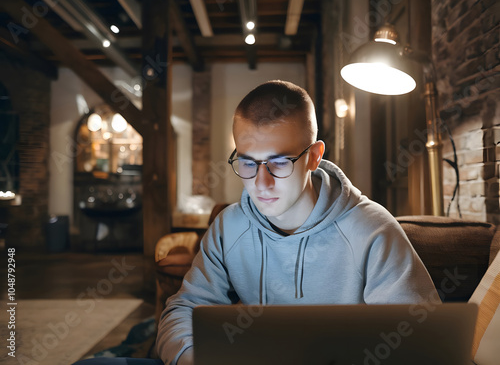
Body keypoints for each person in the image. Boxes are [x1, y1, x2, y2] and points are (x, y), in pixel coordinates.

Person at [73, 80, 438, 365]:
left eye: (279, 163)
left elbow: (421, 340)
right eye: (247, 163)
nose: (260, 184)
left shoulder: (372, 230)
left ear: (313, 157)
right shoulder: (229, 227)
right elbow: (184, 309)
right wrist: (190, 358)